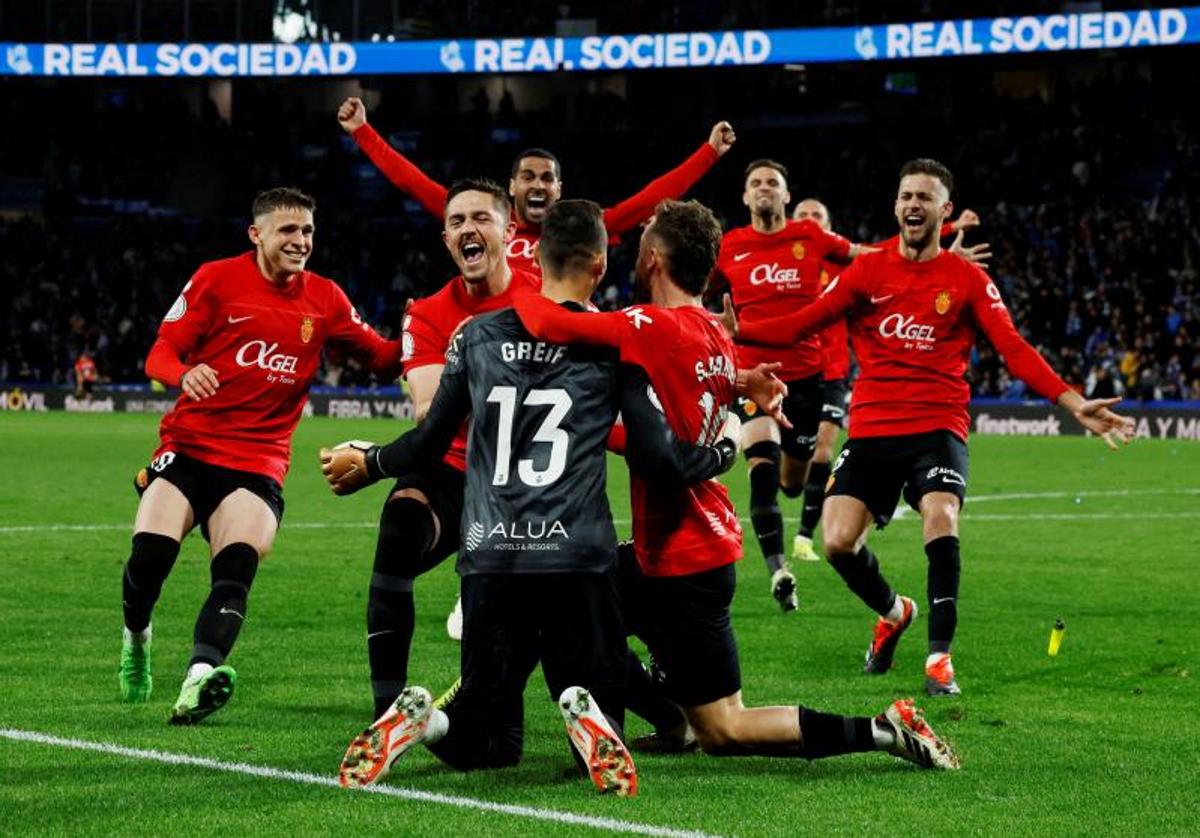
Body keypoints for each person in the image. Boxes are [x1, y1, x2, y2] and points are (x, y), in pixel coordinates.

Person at [514, 199, 961, 770]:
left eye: (642, 239)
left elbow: (549, 322)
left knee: (725, 728)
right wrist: (742, 383)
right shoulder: (712, 330)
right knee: (575, 601)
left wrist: (516, 285)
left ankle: (879, 730)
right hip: (697, 545)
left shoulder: (646, 325)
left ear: (653, 258)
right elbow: (686, 409)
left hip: (685, 557)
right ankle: (671, 717)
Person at [320, 199, 740, 794]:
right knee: (604, 719)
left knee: (490, 742)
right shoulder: (613, 344)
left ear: (534, 258)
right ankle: (585, 712)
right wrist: (726, 442)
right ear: (599, 265)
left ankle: (430, 723)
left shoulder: (475, 337)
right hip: (578, 559)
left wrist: (370, 462)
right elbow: (656, 455)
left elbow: (428, 443)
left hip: (492, 556)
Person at [731, 160, 1135, 695]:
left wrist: (1071, 401)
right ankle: (896, 612)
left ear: (944, 211)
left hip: (937, 424)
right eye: (905, 197)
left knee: (940, 516)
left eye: (925, 197)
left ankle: (939, 658)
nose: (913, 205)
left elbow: (1012, 349)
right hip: (874, 428)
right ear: (896, 206)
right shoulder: (867, 273)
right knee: (835, 543)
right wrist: (736, 330)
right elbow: (803, 323)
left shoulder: (967, 279)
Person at [117, 187, 402, 723]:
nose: (301, 241)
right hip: (189, 447)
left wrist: (419, 332)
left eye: (308, 232)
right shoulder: (216, 279)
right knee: (150, 559)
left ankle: (199, 677)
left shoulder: (327, 298)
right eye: (288, 230)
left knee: (236, 567)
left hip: (257, 463)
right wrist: (184, 372)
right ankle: (137, 635)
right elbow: (160, 353)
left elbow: (384, 359)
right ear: (257, 234)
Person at [361, 178, 540, 723]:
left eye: (481, 218)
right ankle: (387, 713)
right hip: (454, 470)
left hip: (527, 482)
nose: (468, 229)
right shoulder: (429, 313)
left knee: (548, 626)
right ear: (445, 239)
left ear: (510, 231)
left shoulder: (547, 297)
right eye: (457, 222)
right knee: (400, 526)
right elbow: (427, 410)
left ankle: (666, 712)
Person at [787, 198, 990, 563]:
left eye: (818, 215)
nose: (810, 221)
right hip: (791, 372)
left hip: (832, 370)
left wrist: (947, 234)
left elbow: (892, 249)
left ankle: (804, 534)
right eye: (803, 216)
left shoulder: (849, 263)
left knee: (822, 449)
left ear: (830, 227)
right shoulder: (786, 266)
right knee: (790, 476)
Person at [711, 160, 873, 612]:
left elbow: (865, 256)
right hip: (752, 377)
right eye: (756, 183)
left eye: (773, 184)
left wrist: (930, 256)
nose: (764, 189)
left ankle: (792, 484)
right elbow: (690, 286)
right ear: (745, 198)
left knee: (792, 482)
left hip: (805, 380)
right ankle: (779, 569)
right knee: (760, 468)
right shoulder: (729, 247)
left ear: (786, 197)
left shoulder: (811, 238)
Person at [337, 96, 736, 274]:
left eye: (547, 177)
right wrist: (362, 132)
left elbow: (648, 200)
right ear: (511, 187)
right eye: (528, 176)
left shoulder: (580, 230)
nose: (538, 184)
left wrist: (710, 153)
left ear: (559, 190)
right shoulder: (482, 220)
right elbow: (413, 182)